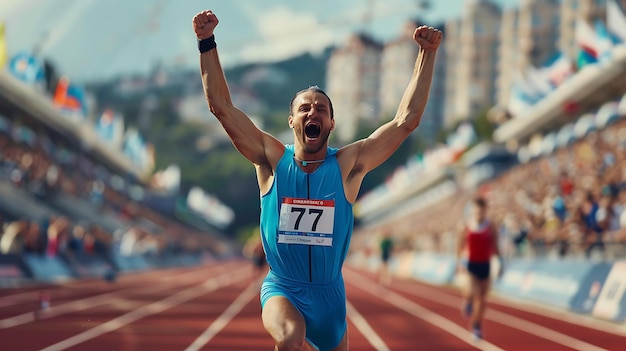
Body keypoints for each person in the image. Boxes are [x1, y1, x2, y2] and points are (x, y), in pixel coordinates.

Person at [192, 9, 442, 351]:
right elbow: (220, 105)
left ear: (331, 124)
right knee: (290, 339)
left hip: (331, 299)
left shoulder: (347, 165)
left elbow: (406, 121)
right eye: (305, 108)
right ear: (292, 120)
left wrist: (427, 55)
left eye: (322, 108)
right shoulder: (270, 159)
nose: (314, 112)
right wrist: (206, 41)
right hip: (283, 287)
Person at [456, 196, 503, 342]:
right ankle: (468, 300)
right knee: (473, 293)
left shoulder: (491, 226)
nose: (478, 213)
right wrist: (459, 263)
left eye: (481, 211)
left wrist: (500, 262)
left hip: (485, 265)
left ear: (485, 211)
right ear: (472, 211)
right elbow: (458, 246)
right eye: (475, 210)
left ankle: (476, 325)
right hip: (471, 264)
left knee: (482, 300)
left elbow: (495, 246)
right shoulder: (464, 225)